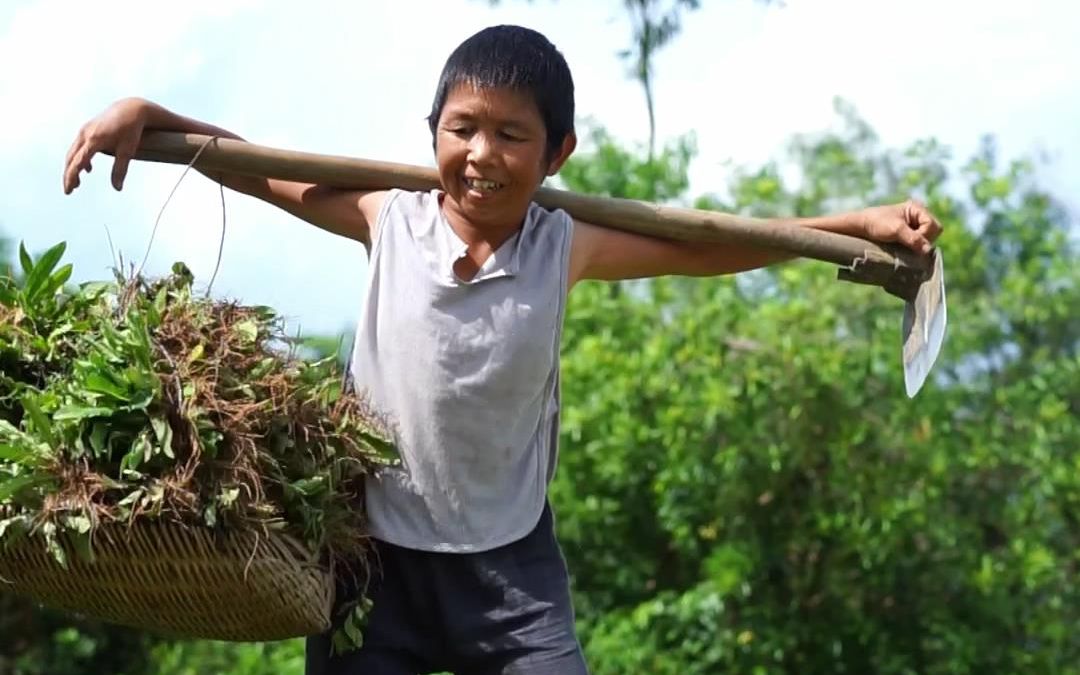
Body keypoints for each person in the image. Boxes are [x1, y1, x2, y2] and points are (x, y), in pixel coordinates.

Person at [62, 24, 942, 675]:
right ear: (434, 132)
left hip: (510, 571)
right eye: (463, 128)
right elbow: (261, 168)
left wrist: (855, 227)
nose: (482, 154)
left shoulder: (565, 244)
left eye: (512, 135)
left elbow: (708, 243)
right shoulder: (388, 217)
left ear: (556, 150)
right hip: (373, 562)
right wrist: (149, 116)